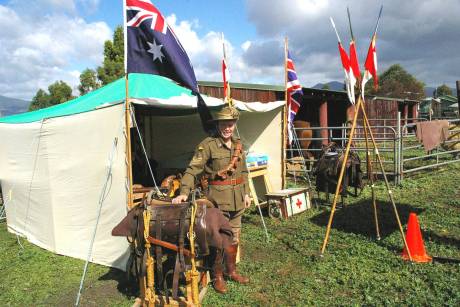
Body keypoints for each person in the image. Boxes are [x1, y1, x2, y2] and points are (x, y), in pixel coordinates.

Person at [172, 105, 251, 294]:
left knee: (234, 238)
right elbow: (193, 170)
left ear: (234, 124)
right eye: (224, 124)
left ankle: (231, 271)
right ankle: (217, 276)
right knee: (218, 240)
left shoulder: (239, 145)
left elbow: (244, 172)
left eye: (230, 124)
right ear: (218, 124)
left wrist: (247, 193)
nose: (227, 128)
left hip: (238, 200)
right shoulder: (208, 145)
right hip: (217, 201)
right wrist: (184, 191)